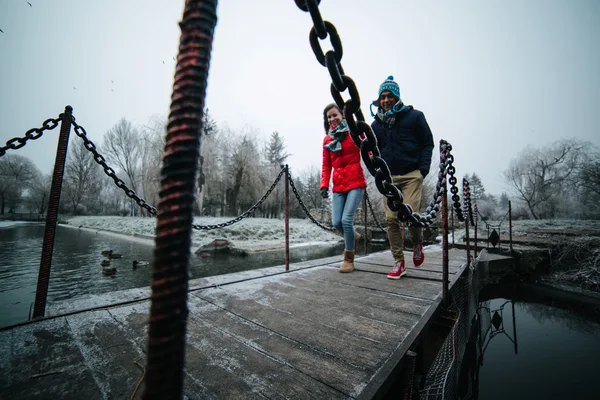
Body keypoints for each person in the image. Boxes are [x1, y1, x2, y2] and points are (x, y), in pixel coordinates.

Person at [370, 76, 434, 279]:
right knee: (391, 221)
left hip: (411, 175)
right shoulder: (376, 126)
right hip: (389, 179)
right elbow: (371, 152)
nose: (386, 100)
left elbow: (427, 143)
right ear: (379, 100)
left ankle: (417, 244)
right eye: (382, 97)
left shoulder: (415, 117)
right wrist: (377, 174)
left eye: (390, 96)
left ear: (397, 98)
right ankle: (399, 262)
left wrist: (422, 170)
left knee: (411, 216)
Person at [320, 103, 367, 273]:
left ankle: (348, 260)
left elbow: (368, 148)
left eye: (335, 115)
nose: (332, 119)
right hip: (339, 186)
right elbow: (326, 165)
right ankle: (352, 235)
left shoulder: (353, 132)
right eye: (329, 117)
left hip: (355, 183)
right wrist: (324, 185)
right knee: (336, 222)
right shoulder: (327, 140)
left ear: (342, 116)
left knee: (347, 220)